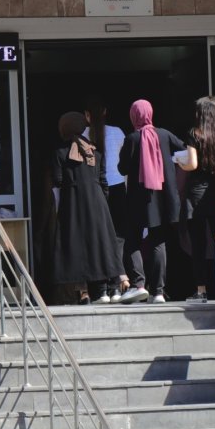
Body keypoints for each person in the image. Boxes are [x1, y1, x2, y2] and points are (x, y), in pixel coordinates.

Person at [48, 111, 122, 304]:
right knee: (98, 244)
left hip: (72, 203)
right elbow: (104, 182)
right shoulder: (95, 151)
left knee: (76, 246)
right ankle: (104, 291)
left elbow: (57, 183)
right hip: (98, 203)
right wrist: (101, 203)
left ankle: (84, 293)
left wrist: (58, 210)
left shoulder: (60, 152)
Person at [117, 99, 186, 303]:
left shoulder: (132, 139)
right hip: (163, 198)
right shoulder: (164, 135)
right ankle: (158, 292)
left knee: (132, 241)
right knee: (158, 241)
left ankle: (139, 284)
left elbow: (122, 169)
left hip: (139, 199)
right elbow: (184, 150)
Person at [180, 96, 215, 302]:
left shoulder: (194, 134)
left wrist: (179, 162)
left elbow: (192, 164)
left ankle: (201, 290)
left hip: (196, 195)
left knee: (198, 244)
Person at [85, 95, 131, 302]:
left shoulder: (83, 136)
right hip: (118, 188)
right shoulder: (118, 133)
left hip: (96, 190)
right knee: (118, 239)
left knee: (98, 239)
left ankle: (100, 289)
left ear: (87, 115)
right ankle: (115, 287)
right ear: (105, 112)